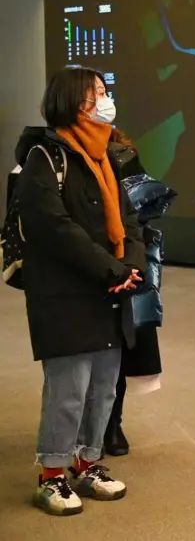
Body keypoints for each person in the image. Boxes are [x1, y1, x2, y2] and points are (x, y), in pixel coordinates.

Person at [14, 67, 146, 515]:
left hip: (110, 289)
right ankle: (52, 474)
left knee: (103, 388)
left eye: (105, 92)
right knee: (68, 389)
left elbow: (129, 220)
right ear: (72, 101)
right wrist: (110, 269)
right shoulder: (43, 156)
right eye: (96, 94)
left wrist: (132, 266)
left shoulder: (105, 155)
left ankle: (88, 463)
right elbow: (54, 228)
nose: (105, 101)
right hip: (66, 292)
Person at [103, 129, 176, 456]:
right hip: (77, 265)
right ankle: (79, 428)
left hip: (124, 262)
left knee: (119, 346)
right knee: (81, 354)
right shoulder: (51, 155)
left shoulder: (123, 155)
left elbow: (141, 212)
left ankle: (112, 424)